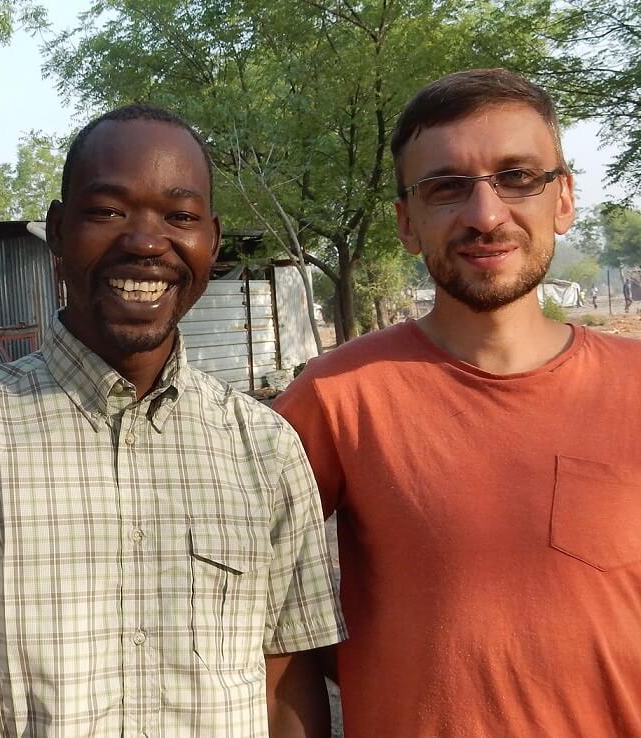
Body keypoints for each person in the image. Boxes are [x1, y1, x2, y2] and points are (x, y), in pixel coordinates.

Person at [0, 104, 345, 738]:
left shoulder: (265, 450)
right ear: (57, 232)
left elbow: (286, 685)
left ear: (212, 241)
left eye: (180, 217)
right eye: (107, 212)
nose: (146, 243)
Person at [274, 68, 641, 737]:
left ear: (563, 199)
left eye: (517, 177)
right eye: (446, 187)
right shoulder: (337, 398)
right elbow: (245, 591)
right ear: (406, 223)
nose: (485, 215)